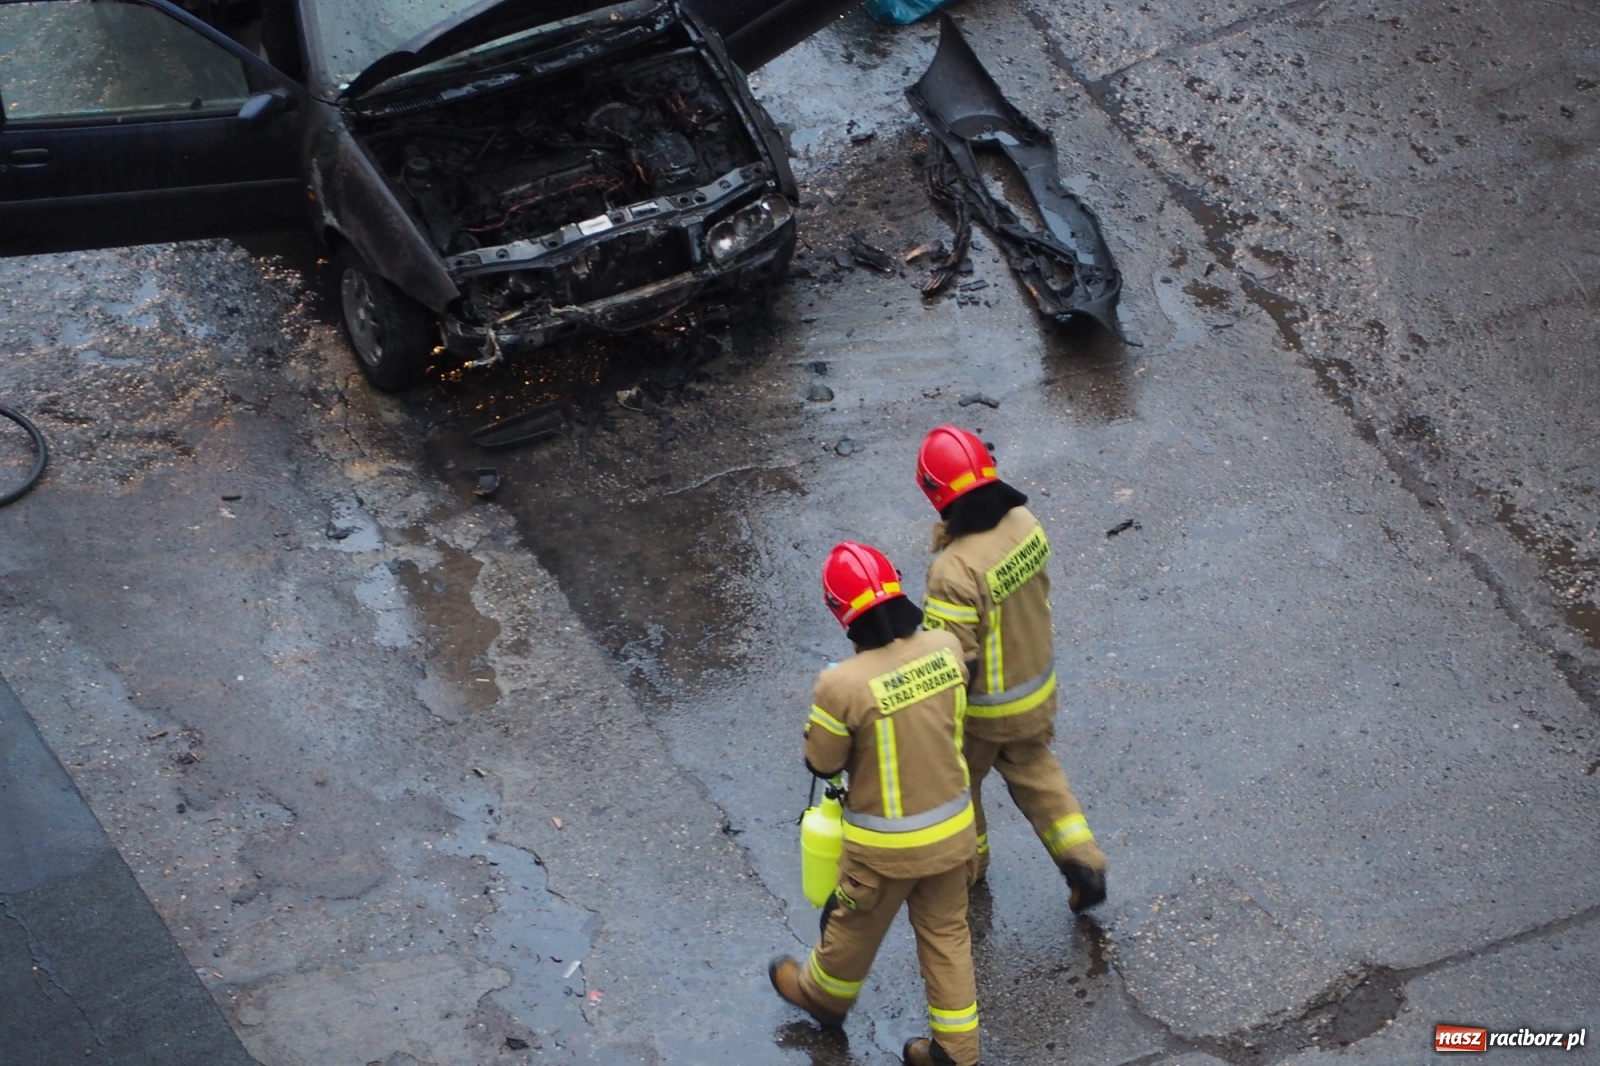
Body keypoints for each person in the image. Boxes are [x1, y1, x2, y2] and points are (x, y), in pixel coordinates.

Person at [769, 541, 982, 1066]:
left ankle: (820, 996)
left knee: (853, 928)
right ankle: (957, 1051)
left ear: (840, 611)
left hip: (884, 851)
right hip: (954, 833)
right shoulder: (947, 648)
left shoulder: (841, 684)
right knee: (946, 937)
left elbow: (822, 763)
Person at [914, 425, 1108, 912]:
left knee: (959, 783)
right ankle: (1082, 858)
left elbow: (952, 659)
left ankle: (968, 871)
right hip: (1036, 689)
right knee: (1037, 771)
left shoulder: (954, 570)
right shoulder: (1025, 522)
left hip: (984, 710)